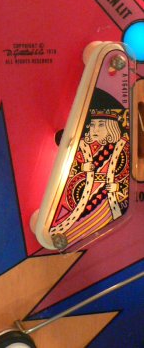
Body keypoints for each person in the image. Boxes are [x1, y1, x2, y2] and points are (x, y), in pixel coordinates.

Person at [50, 88, 130, 247]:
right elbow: (71, 179)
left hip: (107, 209)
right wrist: (83, 167)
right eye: (92, 125)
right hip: (80, 209)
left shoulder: (122, 149)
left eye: (100, 124)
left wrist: (116, 187)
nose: (94, 129)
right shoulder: (83, 148)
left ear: (111, 127)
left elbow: (128, 180)